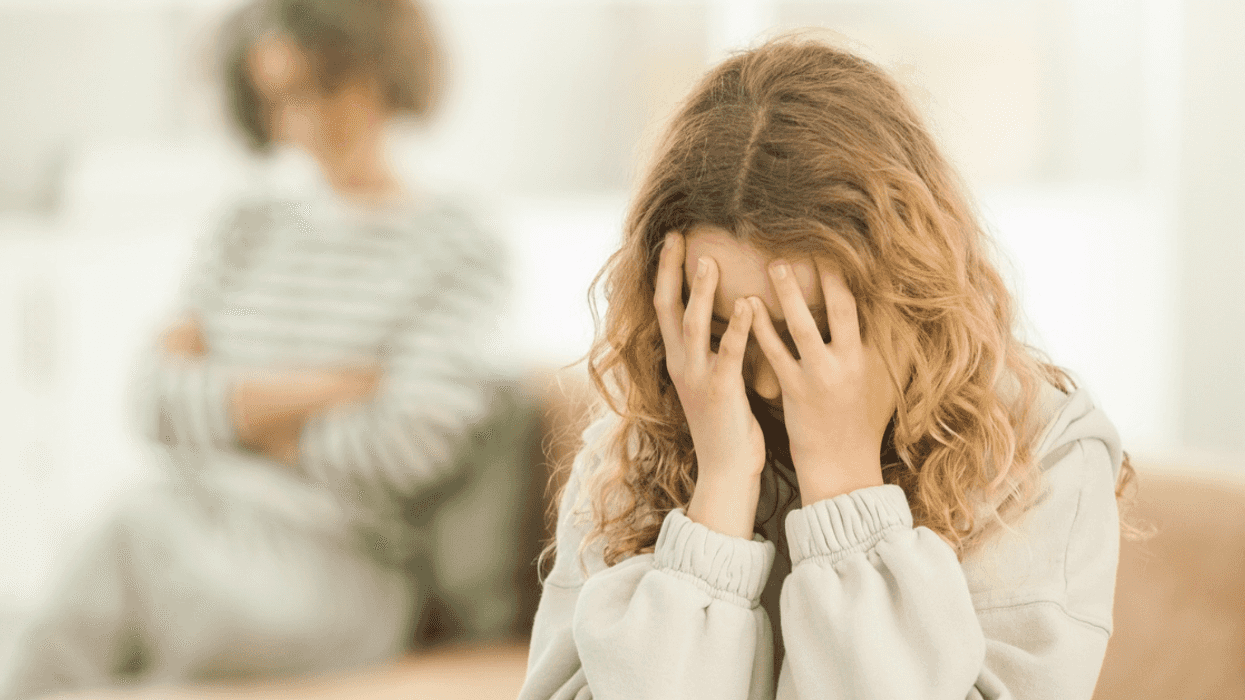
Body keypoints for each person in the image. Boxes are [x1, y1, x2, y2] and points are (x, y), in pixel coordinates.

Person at [519, 38, 1134, 700]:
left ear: (906, 290)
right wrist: (718, 496)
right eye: (720, 332)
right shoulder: (641, 441)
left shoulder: (1043, 452)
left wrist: (844, 489)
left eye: (805, 333)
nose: (759, 383)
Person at [0, 1, 512, 697]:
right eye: (279, 99)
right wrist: (336, 388)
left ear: (385, 70)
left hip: (343, 569)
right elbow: (152, 402)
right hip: (201, 527)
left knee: (121, 544)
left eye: (325, 87)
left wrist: (228, 411)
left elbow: (411, 444)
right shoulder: (245, 227)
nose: (303, 121)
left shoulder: (458, 245)